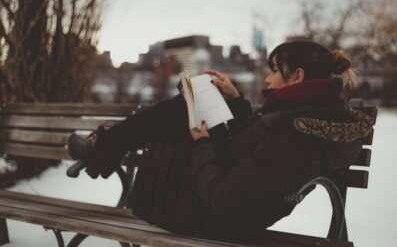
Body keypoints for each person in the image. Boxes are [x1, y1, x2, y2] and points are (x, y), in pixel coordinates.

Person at [68, 40, 374, 241]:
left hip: (213, 217)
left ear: (296, 76)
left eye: (273, 72)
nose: (267, 80)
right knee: (186, 105)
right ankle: (105, 148)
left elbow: (221, 199)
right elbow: (257, 154)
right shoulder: (308, 114)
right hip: (229, 201)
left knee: (178, 112)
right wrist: (238, 101)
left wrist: (202, 144)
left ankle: (103, 149)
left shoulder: (294, 133)